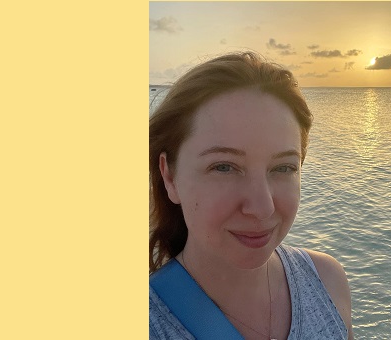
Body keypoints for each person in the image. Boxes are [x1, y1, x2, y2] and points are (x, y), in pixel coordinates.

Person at [149, 51, 353, 340]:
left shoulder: (327, 282)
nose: (262, 208)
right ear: (170, 176)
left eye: (283, 167)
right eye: (223, 167)